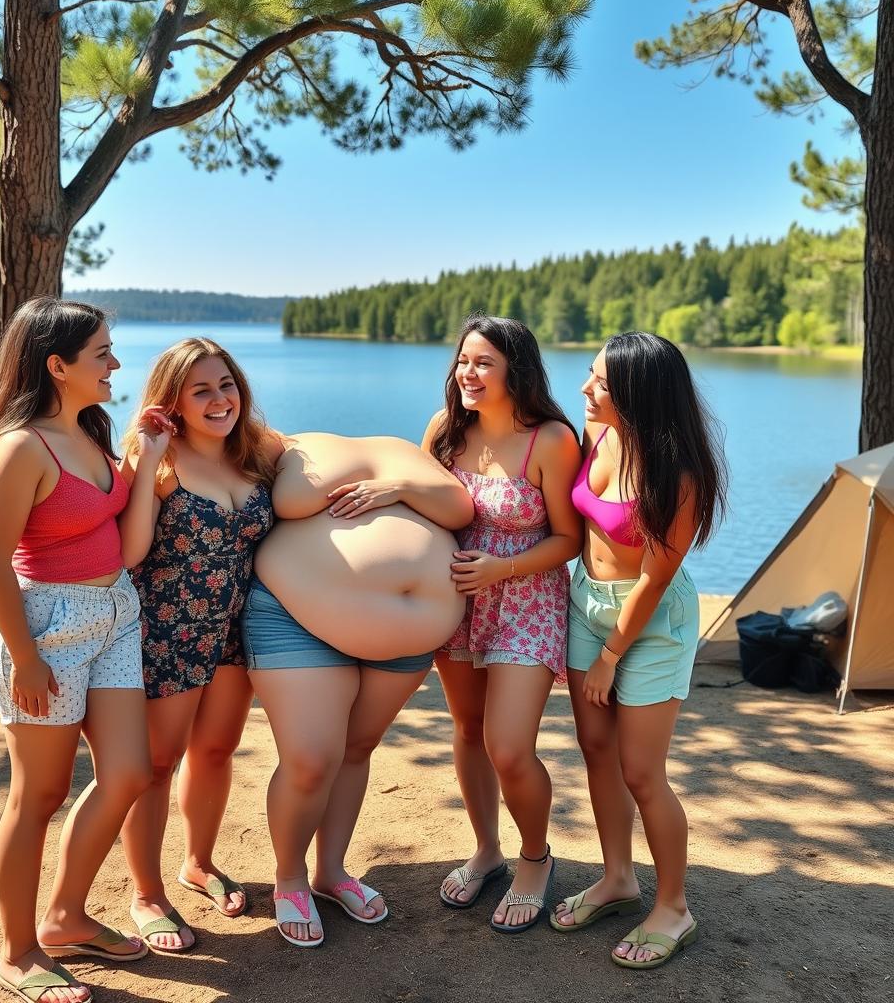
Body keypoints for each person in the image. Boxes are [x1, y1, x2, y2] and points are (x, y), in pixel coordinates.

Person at [0, 297, 151, 1003]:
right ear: (57, 365)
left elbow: (121, 524)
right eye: (102, 353)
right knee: (39, 793)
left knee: (129, 772)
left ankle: (67, 916)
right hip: (44, 627)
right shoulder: (20, 448)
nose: (114, 363)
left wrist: (149, 456)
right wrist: (28, 657)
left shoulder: (89, 430)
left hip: (116, 614)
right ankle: (17, 953)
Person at [241, 432, 474, 947]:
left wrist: (397, 489)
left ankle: (331, 871)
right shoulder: (279, 445)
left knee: (355, 748)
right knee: (309, 759)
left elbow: (459, 510)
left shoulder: (413, 450)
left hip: (409, 640)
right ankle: (290, 876)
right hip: (295, 617)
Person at [550, 331, 726, 971]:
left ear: (639, 394)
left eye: (600, 382)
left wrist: (610, 655)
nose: (585, 390)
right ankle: (618, 879)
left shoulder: (678, 472)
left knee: (641, 771)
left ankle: (673, 907)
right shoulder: (597, 434)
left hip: (650, 622)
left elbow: (653, 578)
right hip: (587, 602)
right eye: (589, 376)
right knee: (595, 749)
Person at [116, 338, 277, 954]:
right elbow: (131, 553)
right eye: (201, 390)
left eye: (227, 385)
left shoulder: (256, 452)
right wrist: (150, 452)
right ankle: (147, 894)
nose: (219, 400)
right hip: (168, 629)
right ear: (173, 400)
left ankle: (199, 863)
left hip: (237, 629)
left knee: (216, 750)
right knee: (156, 766)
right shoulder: (154, 459)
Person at [426, 314, 582, 933]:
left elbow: (569, 539)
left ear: (517, 369)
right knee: (467, 729)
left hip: (527, 599)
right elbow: (421, 501)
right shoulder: (445, 432)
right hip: (459, 600)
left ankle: (535, 857)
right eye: (463, 361)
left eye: (484, 362)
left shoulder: (550, 439)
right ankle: (486, 849)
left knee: (509, 747)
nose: (469, 373)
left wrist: (503, 568)